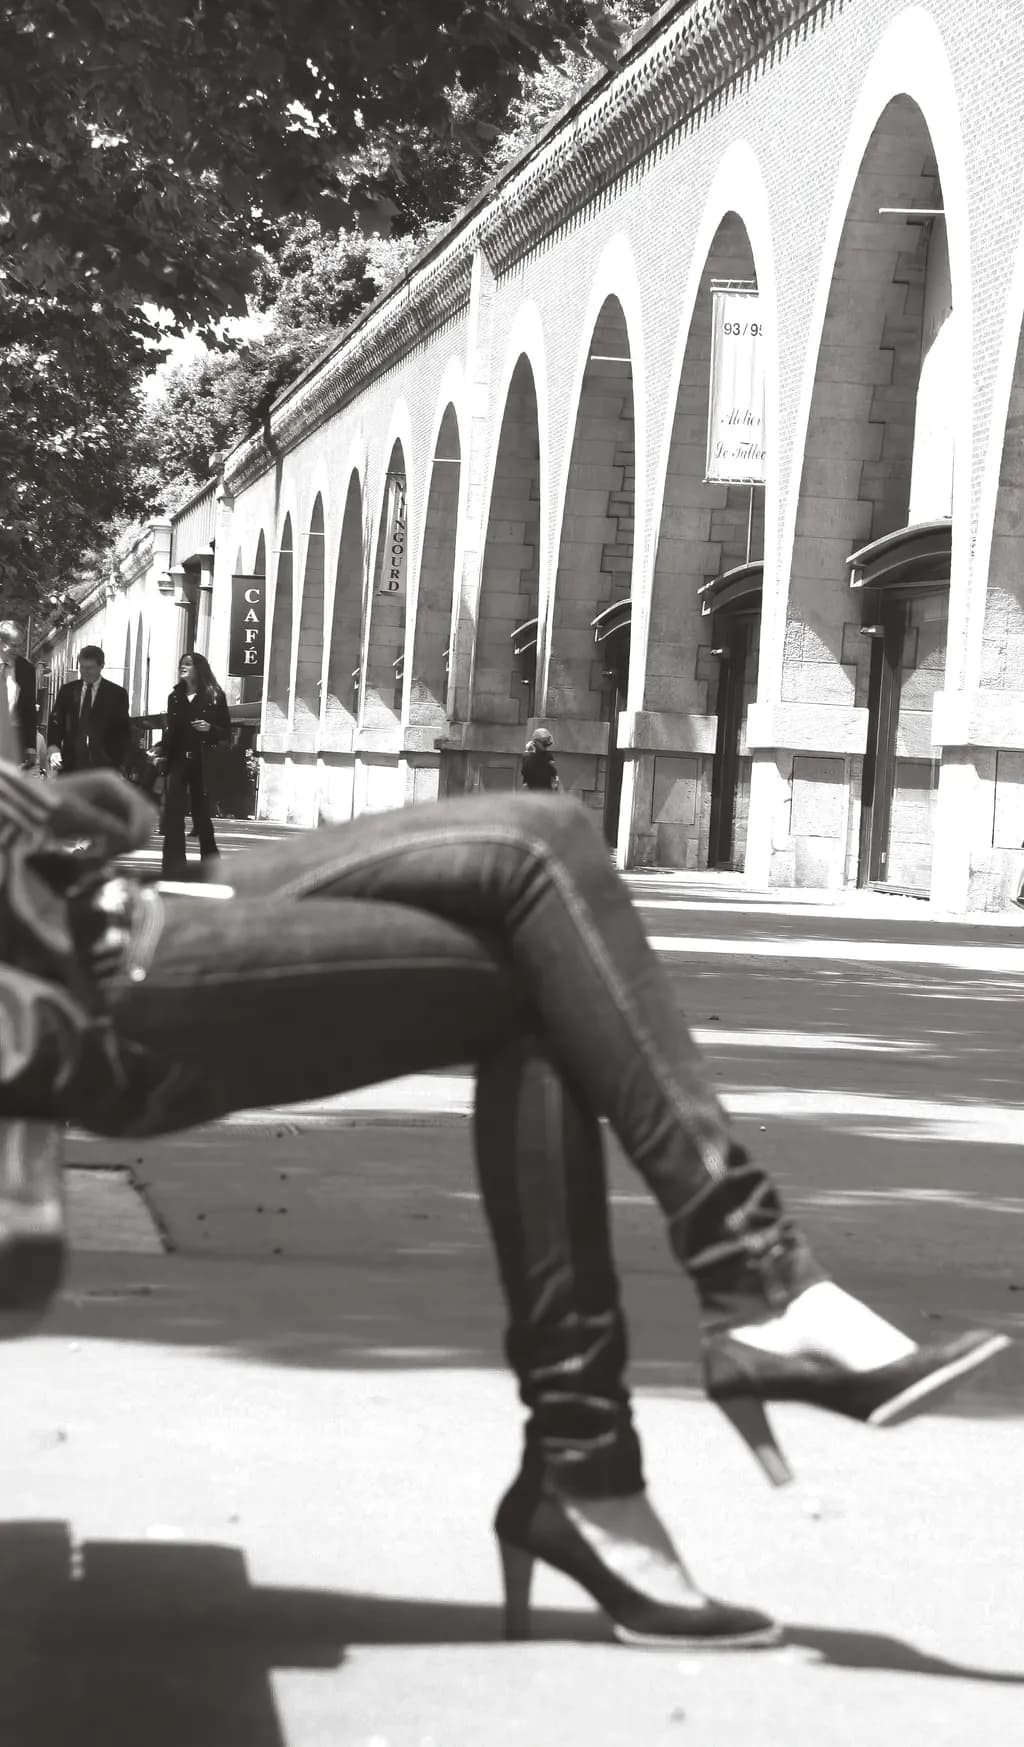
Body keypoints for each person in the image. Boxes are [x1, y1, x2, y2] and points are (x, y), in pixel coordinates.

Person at [0, 771, 1009, 1648]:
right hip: (96, 982)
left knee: (544, 865)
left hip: (106, 906)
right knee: (544, 886)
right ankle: (718, 1326)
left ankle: (631, 1424)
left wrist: (43, 817)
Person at [150, 652, 231, 876]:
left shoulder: (214, 695)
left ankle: (211, 866)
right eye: (181, 664)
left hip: (202, 761)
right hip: (177, 761)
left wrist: (210, 729)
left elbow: (226, 733)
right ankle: (173, 866)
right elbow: (171, 731)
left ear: (199, 668)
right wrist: (161, 749)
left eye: (188, 664)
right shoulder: (175, 697)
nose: (183, 668)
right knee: (174, 816)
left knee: (201, 816)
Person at [47, 646, 130, 776]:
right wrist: (53, 747)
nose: (85, 672)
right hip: (71, 764)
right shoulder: (67, 691)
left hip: (104, 766)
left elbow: (123, 731)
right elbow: (56, 723)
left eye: (90, 668)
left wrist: (121, 764)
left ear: (101, 666)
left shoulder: (117, 694)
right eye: (82, 667)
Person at [0, 620, 38, 770]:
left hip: (14, 739)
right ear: (1, 643)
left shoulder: (26, 669)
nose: (18, 650)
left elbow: (29, 710)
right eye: (14, 645)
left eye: (20, 645)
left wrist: (31, 747)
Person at [521, 725, 560, 791]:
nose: (546, 744)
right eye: (544, 742)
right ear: (536, 742)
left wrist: (555, 779)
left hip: (546, 789)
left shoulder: (548, 755)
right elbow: (525, 772)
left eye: (547, 741)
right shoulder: (527, 755)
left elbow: (553, 771)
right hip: (532, 790)